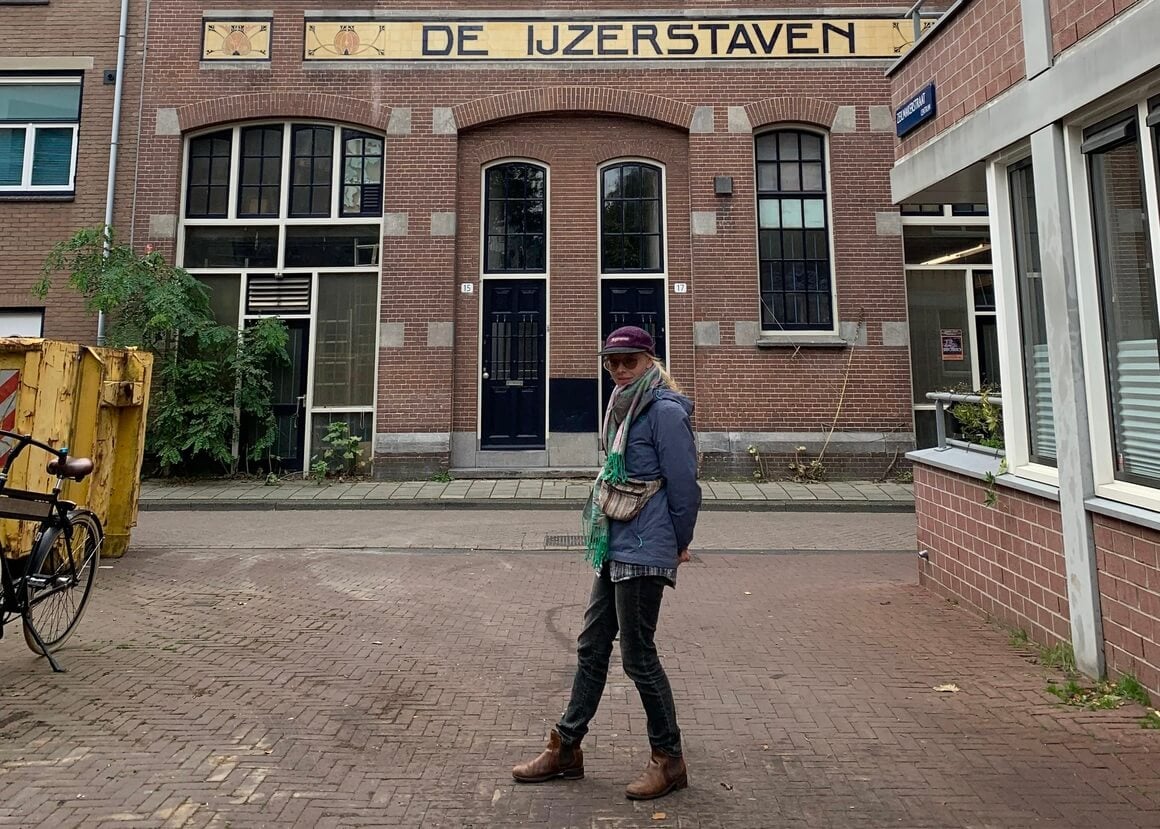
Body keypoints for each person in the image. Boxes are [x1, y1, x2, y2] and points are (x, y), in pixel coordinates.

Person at [512, 325, 701, 801]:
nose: (619, 370)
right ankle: (567, 748)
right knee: (593, 646)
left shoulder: (663, 412)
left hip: (646, 544)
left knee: (639, 657)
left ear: (649, 362)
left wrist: (679, 541)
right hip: (613, 542)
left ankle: (669, 759)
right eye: (612, 363)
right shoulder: (620, 407)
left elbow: (685, 486)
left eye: (629, 362)